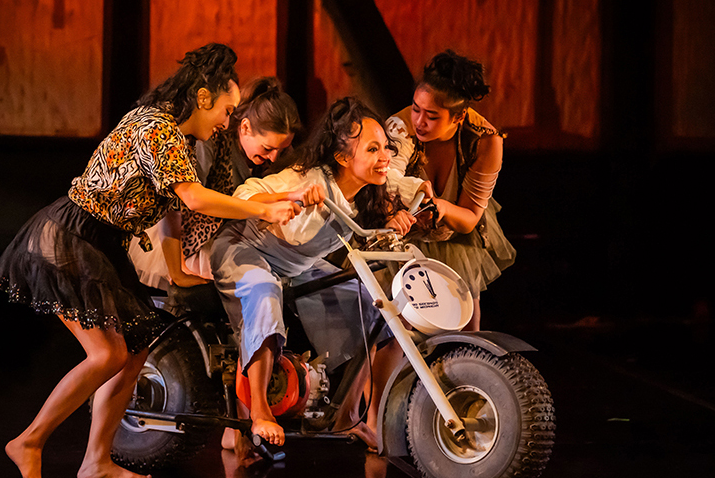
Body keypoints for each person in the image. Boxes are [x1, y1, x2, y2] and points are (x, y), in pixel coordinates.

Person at [0, 43, 300, 478]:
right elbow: (193, 198)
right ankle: (29, 440)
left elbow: (229, 201)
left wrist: (286, 198)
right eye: (228, 110)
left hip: (103, 243)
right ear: (203, 97)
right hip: (72, 236)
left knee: (133, 350)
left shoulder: (191, 141)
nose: (228, 122)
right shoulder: (156, 128)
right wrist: (266, 213)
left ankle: (95, 460)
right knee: (107, 354)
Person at [207, 96, 424, 452]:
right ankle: (260, 412)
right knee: (262, 294)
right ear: (342, 157)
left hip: (297, 266)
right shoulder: (310, 177)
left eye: (386, 146)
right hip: (246, 249)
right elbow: (246, 194)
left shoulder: (368, 192)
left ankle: (357, 416)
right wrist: (291, 195)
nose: (384, 156)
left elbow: (397, 187)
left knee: (382, 316)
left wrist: (395, 218)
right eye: (373, 149)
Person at [129, 76, 302, 290]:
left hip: (230, 241)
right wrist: (178, 269)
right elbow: (174, 206)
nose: (275, 157)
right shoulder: (211, 141)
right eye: (268, 148)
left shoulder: (271, 160)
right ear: (245, 127)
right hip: (187, 241)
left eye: (281, 150)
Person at [386, 49, 516, 331]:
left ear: (458, 117)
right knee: (401, 335)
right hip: (405, 239)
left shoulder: (484, 141)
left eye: (431, 116)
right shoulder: (400, 128)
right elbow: (386, 182)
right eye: (415, 107)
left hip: (455, 238)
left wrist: (442, 207)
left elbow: (469, 217)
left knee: (465, 335)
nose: (419, 120)